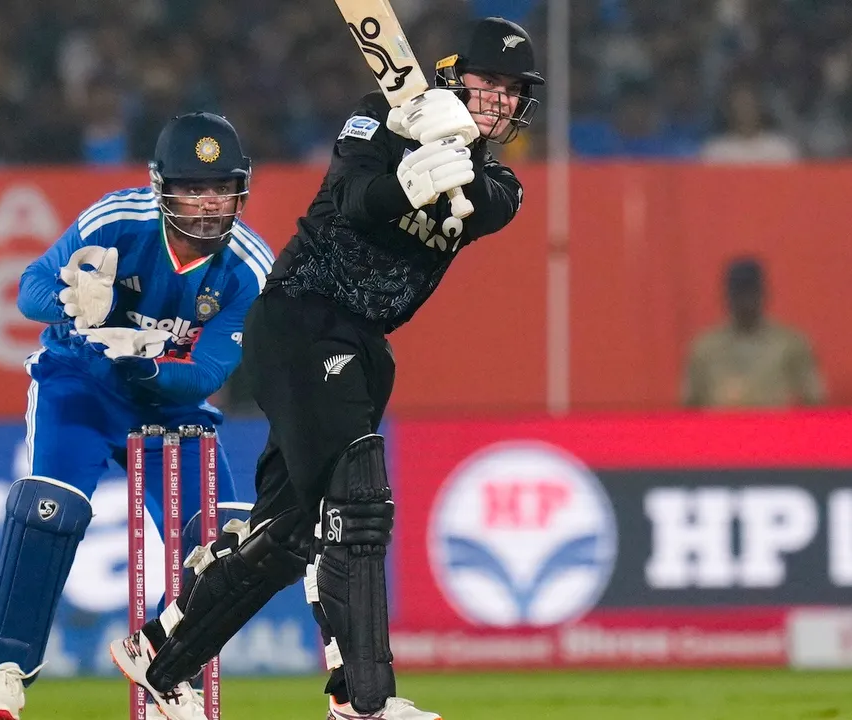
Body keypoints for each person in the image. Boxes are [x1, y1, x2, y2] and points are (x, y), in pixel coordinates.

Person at [109, 16, 543, 720]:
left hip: (364, 344)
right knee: (358, 501)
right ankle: (365, 701)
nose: (500, 98)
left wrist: (453, 154)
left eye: (513, 89)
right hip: (301, 317)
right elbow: (353, 200)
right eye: (488, 81)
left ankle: (159, 655)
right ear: (452, 75)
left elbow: (485, 205)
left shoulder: (499, 187)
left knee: (290, 535)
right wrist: (405, 176)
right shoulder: (378, 117)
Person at [0, 112, 271, 720]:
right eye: (193, 188)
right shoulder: (118, 219)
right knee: (50, 509)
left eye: (221, 188)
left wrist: (144, 365)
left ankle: (169, 672)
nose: (209, 204)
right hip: (81, 383)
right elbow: (30, 288)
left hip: (171, 401)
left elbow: (208, 373)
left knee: (226, 541)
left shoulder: (248, 265)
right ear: (162, 186)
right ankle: (4, 674)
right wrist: (71, 300)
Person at [683, 256, 825, 408]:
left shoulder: (789, 344)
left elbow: (814, 398)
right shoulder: (705, 348)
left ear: (764, 293)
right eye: (738, 293)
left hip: (773, 421)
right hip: (721, 421)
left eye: (751, 292)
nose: (745, 300)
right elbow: (689, 404)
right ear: (727, 296)